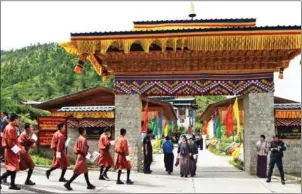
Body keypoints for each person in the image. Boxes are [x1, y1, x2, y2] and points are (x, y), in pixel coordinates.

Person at [0, 114, 22, 190]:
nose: (18, 121)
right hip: (11, 151)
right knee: (12, 168)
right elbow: (11, 143)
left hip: (10, 150)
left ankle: (12, 184)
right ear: (15, 119)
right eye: (18, 119)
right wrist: (18, 150)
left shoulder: (10, 127)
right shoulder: (11, 128)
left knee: (12, 169)